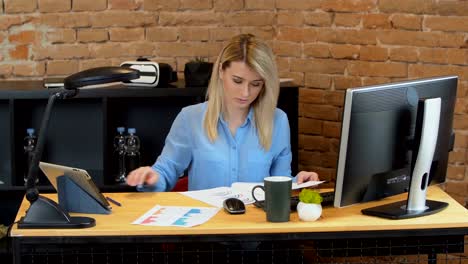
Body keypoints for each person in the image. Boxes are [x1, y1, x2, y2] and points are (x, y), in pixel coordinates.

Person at [126, 34, 319, 191]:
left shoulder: (277, 120)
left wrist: (298, 182)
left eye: (256, 84)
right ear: (221, 71)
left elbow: (280, 181)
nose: (245, 93)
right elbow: (166, 171)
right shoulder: (190, 118)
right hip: (205, 232)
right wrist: (151, 177)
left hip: (256, 233)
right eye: (237, 81)